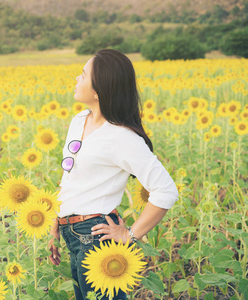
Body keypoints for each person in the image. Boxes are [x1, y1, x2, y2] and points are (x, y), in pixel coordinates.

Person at [48, 49, 178, 300]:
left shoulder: (122, 137)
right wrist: (58, 216)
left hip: (95, 234)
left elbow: (166, 191)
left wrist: (130, 235)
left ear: (98, 90)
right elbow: (70, 176)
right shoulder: (79, 121)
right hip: (71, 231)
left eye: (83, 75)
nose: (76, 78)